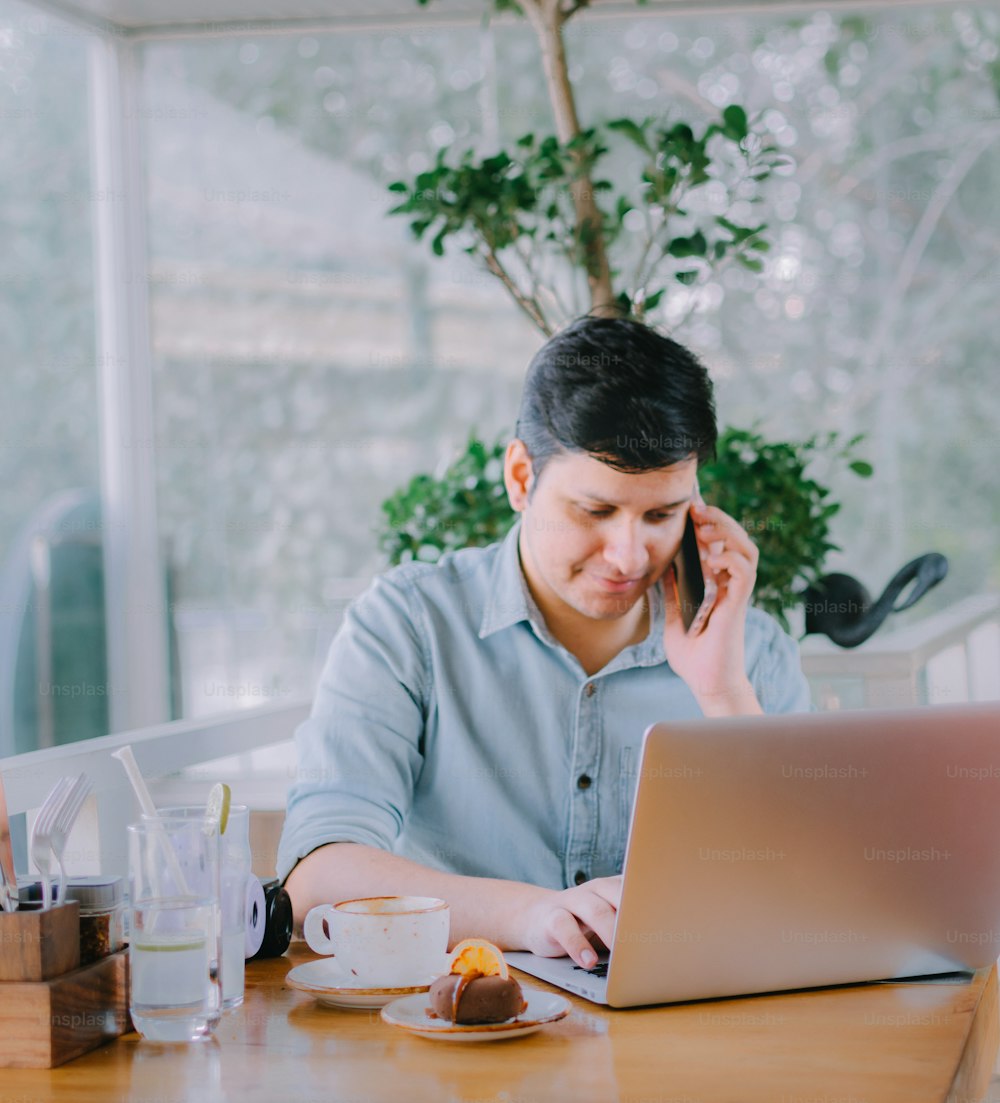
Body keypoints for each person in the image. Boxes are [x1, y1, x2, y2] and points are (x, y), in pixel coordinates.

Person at [277, 316, 811, 969]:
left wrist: (722, 691)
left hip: (677, 1043)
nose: (629, 554)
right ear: (521, 477)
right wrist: (531, 915)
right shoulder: (409, 624)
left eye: (661, 514)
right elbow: (318, 881)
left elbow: (806, 896)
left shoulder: (749, 655)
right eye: (596, 511)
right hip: (454, 1035)